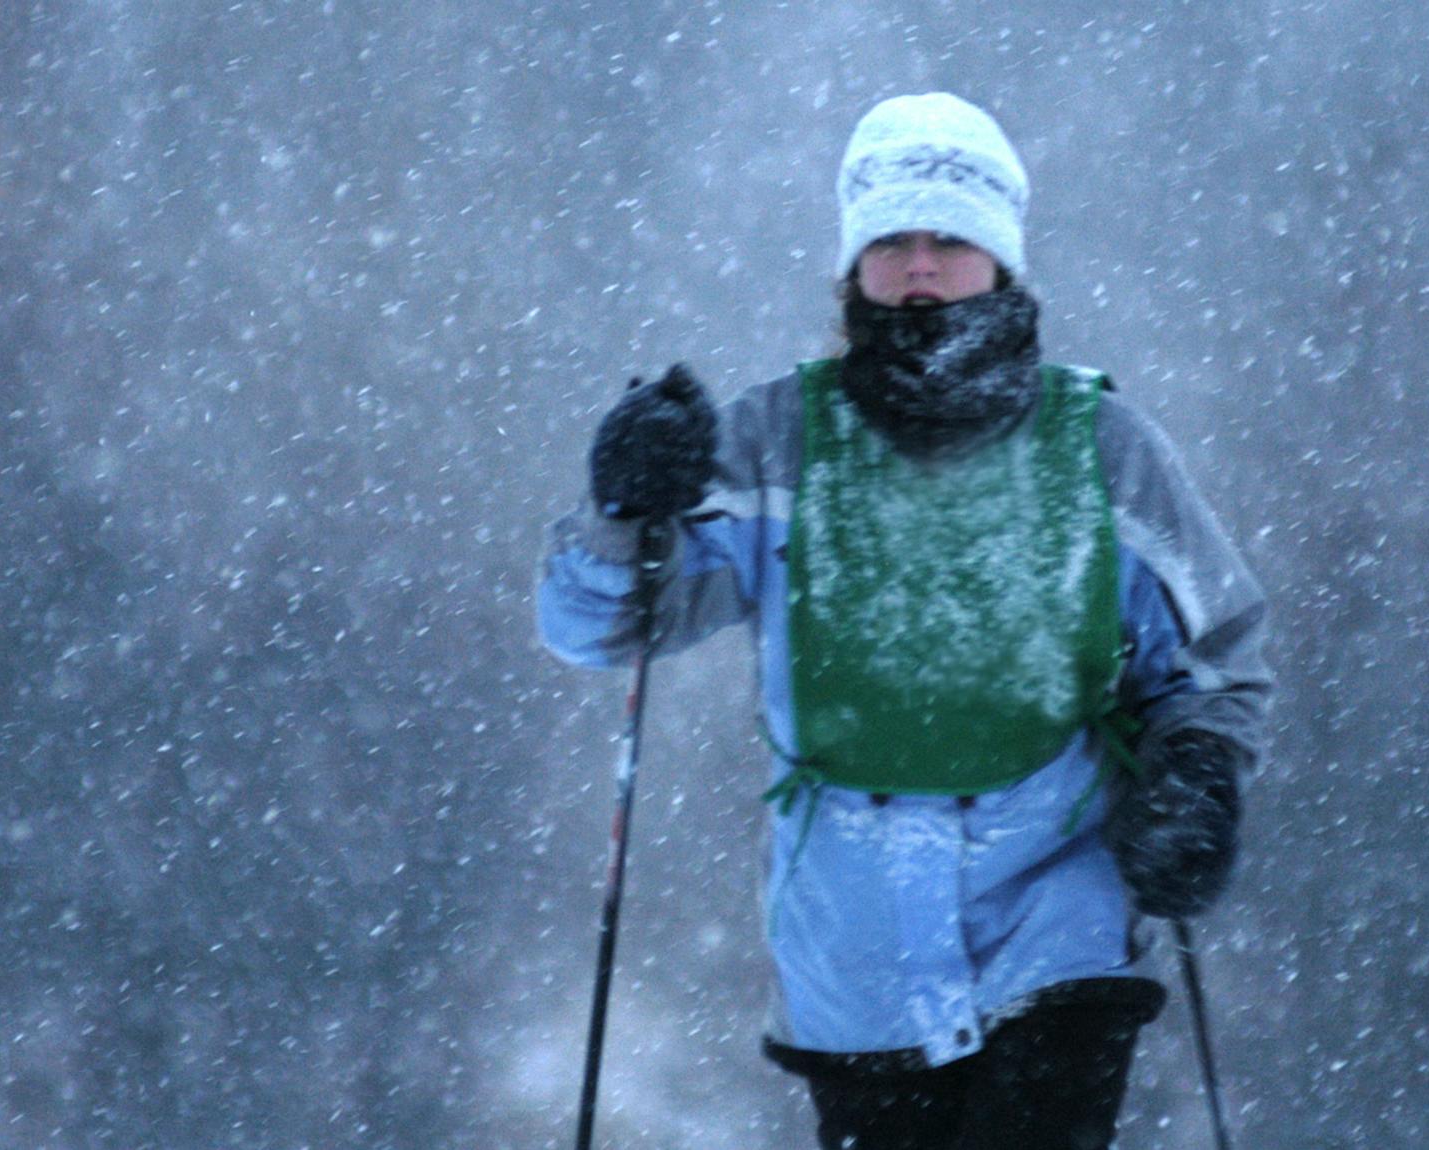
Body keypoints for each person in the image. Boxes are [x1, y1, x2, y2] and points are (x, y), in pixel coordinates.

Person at [538, 92, 1273, 1150]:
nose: (921, 264)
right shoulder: (775, 442)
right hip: (854, 944)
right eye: (891, 238)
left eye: (950, 237)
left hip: (1059, 914)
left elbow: (1211, 658)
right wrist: (622, 512)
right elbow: (598, 628)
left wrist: (1198, 776)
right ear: (852, 265)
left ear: (1003, 259)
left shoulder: (1102, 448)